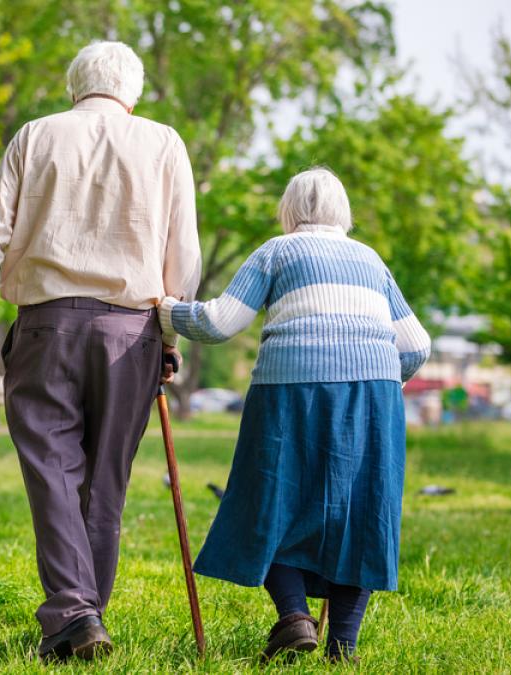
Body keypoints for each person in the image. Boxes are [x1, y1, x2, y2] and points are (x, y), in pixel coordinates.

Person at [0, 41, 201, 661]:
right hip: (133, 331)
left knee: (53, 473)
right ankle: (82, 614)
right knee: (105, 482)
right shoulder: (164, 142)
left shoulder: (36, 135)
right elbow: (183, 254)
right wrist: (169, 338)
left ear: (75, 86)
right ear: (133, 92)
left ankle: (74, 614)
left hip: (45, 328)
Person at [158, 168, 431, 664]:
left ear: (289, 210)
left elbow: (220, 322)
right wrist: (382, 381)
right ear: (342, 212)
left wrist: (167, 310)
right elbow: (417, 345)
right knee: (361, 515)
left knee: (268, 502)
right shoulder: (370, 259)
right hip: (373, 394)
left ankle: (295, 616)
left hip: (289, 390)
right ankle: (342, 648)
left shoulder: (277, 251)